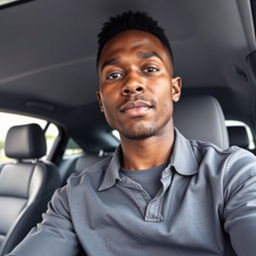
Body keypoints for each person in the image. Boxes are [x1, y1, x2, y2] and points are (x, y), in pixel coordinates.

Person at [6, 11, 256, 256]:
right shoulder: (73, 196)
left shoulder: (233, 173)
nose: (132, 84)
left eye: (149, 69)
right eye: (114, 75)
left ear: (174, 89)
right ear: (102, 101)